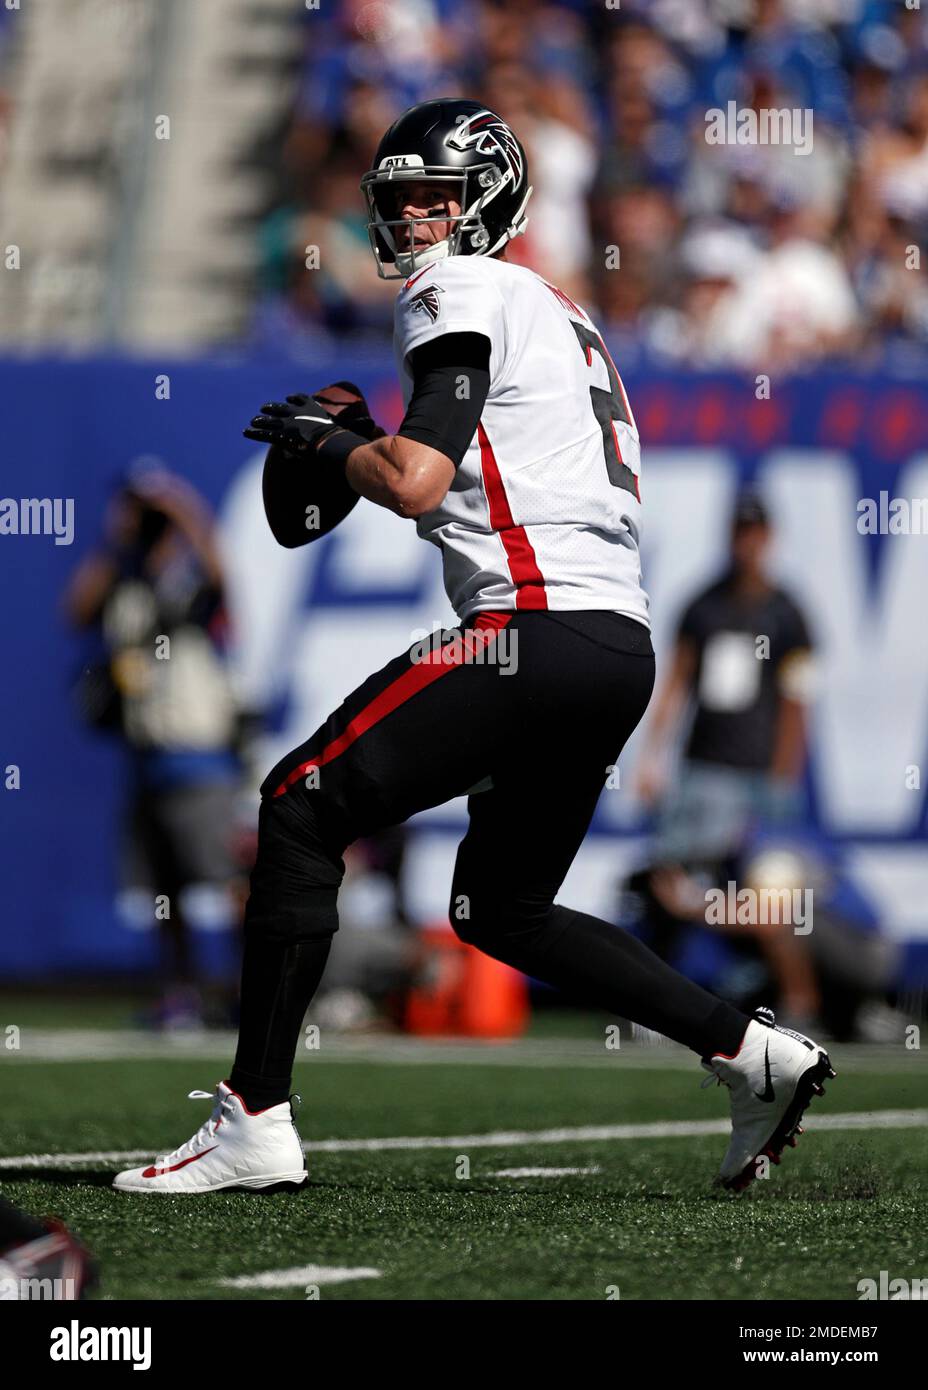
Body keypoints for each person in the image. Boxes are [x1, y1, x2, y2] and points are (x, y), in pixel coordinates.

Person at [113, 99, 833, 1198]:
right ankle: (750, 1051)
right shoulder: (555, 309)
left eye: (437, 197)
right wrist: (360, 444)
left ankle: (252, 1116)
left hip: (532, 630)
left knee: (301, 802)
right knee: (499, 907)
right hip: (613, 648)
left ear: (487, 199)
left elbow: (415, 480)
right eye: (400, 200)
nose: (415, 220)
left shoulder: (461, 290)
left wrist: (339, 443)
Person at [65, 464, 242, 1028]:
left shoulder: (187, 583)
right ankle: (182, 995)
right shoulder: (125, 584)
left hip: (198, 754)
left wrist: (182, 508)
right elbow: (75, 613)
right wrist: (115, 539)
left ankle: (250, 992)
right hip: (145, 758)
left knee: (226, 880)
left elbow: (222, 578)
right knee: (165, 892)